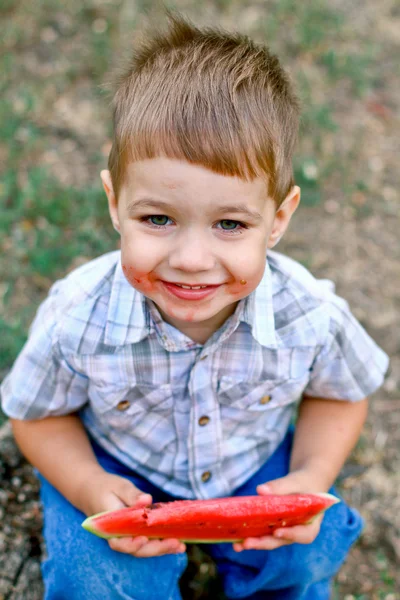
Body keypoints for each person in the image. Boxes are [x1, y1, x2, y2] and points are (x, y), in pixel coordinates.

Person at [0, 13, 389, 600]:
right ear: (114, 202)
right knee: (93, 576)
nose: (190, 258)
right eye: (157, 219)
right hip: (120, 472)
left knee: (314, 542)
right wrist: (89, 487)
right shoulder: (77, 317)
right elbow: (36, 416)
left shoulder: (308, 312)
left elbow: (341, 394)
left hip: (254, 472)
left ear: (278, 219)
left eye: (230, 224)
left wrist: (309, 477)